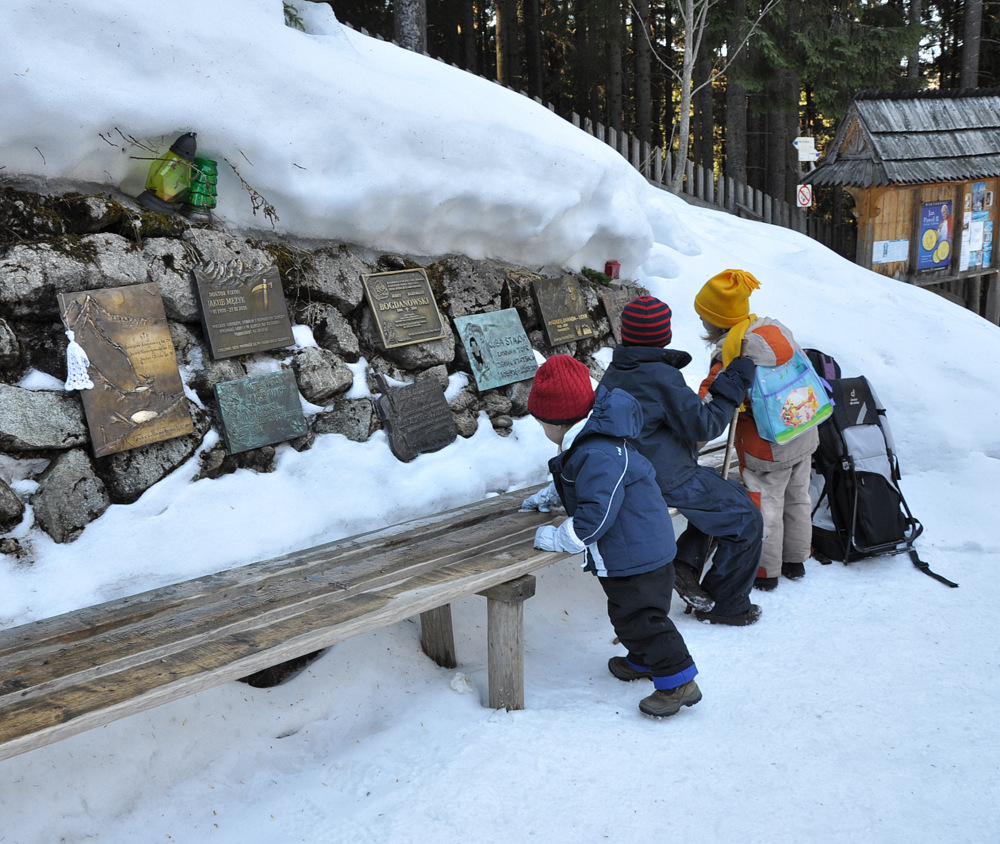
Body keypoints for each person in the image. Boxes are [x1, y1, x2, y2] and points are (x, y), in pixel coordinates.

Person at [525, 355, 701, 718]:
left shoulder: (597, 452)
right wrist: (551, 496)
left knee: (645, 620)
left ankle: (678, 681)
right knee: (628, 614)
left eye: (541, 423)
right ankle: (644, 658)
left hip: (637, 553)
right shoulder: (594, 439)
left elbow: (596, 512)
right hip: (636, 547)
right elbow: (582, 482)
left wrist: (559, 538)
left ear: (556, 423)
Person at [598, 295, 763, 625]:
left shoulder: (619, 368)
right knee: (747, 519)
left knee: (733, 495)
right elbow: (705, 424)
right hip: (664, 475)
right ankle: (727, 604)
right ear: (664, 335)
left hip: (636, 467)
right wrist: (730, 385)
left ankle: (685, 564)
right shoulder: (658, 376)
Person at [695, 268, 819, 591]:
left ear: (714, 322)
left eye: (704, 317)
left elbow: (702, 411)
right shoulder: (774, 331)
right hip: (803, 430)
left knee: (766, 506)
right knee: (798, 498)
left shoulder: (732, 355)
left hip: (766, 447)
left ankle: (766, 572)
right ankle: (796, 560)